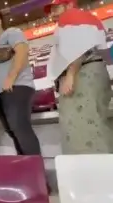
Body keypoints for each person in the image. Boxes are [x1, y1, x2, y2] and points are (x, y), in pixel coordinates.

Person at [46, 0, 113, 154]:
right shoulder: (87, 18)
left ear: (69, 5)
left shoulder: (70, 16)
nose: (53, 13)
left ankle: (91, 171)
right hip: (94, 72)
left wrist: (70, 75)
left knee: (83, 126)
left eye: (57, 8)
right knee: (97, 123)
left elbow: (78, 48)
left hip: (83, 75)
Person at [0, 11, 42, 156]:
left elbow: (22, 51)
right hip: (1, 93)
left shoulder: (11, 32)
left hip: (16, 87)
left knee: (20, 128)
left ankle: (36, 173)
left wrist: (11, 77)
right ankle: (26, 168)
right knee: (12, 131)